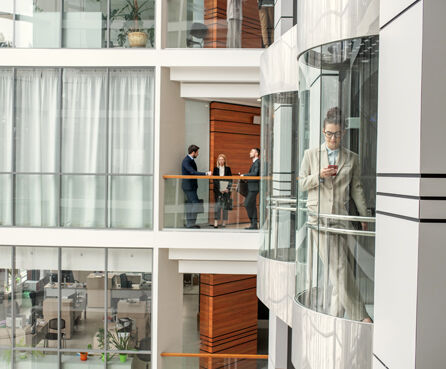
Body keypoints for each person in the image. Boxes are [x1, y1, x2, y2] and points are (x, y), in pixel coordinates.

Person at [299, 107, 372, 323]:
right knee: (339, 267)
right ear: (323, 131)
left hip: (342, 219)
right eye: (329, 134)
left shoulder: (352, 158)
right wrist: (318, 176)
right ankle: (361, 316)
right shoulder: (311, 155)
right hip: (319, 220)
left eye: (337, 134)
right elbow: (302, 184)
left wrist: (363, 215)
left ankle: (335, 319)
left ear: (343, 133)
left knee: (340, 270)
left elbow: (356, 188)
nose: (333, 138)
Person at [181, 145, 211, 228]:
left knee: (191, 204)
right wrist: (206, 174)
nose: (198, 154)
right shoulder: (186, 161)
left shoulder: (191, 160)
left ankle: (190, 223)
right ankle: (190, 224)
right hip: (188, 187)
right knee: (196, 203)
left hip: (192, 187)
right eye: (197, 152)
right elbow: (192, 172)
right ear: (193, 152)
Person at [241, 148, 260, 229]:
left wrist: (244, 175)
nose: (250, 153)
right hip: (252, 187)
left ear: (256, 153)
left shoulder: (257, 162)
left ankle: (253, 223)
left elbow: (255, 174)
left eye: (252, 151)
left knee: (247, 204)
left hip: (254, 188)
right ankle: (254, 224)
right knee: (252, 205)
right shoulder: (255, 163)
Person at [212, 154, 233, 228]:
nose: (221, 161)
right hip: (218, 190)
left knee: (225, 206)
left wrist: (227, 188)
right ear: (218, 160)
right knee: (217, 206)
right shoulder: (215, 169)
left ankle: (224, 222)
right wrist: (220, 189)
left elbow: (230, 179)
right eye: (219, 159)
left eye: (222, 159)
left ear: (224, 160)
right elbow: (214, 180)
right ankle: (216, 221)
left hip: (226, 190)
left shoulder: (228, 168)